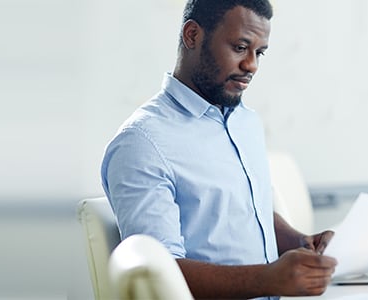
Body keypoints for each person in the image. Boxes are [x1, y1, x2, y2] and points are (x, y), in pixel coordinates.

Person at [100, 0, 338, 298]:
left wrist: (300, 243)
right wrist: (268, 279)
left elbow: (248, 211)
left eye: (259, 53)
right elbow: (160, 276)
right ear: (192, 36)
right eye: (240, 47)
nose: (251, 65)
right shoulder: (142, 142)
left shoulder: (245, 122)